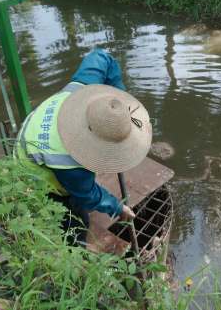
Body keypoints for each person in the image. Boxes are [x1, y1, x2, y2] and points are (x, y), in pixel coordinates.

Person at [16, 48, 151, 245]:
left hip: (35, 134)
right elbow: (88, 195)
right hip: (32, 174)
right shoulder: (69, 162)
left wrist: (119, 100)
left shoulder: (79, 89)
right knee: (77, 222)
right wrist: (117, 207)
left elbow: (102, 57)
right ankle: (74, 253)